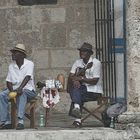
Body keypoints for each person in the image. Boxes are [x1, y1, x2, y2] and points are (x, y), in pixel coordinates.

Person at [0, 44, 37, 130]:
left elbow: (27, 77)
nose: (13, 54)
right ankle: (6, 122)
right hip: (15, 89)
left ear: (22, 55)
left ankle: (20, 121)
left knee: (22, 93)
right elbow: (8, 81)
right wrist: (12, 91)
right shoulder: (11, 66)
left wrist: (20, 89)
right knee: (2, 95)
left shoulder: (29, 64)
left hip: (29, 90)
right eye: (13, 53)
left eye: (15, 53)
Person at [67, 42, 103, 127]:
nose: (82, 53)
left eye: (85, 51)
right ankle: (77, 114)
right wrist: (76, 78)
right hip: (81, 90)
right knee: (76, 88)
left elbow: (95, 81)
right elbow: (70, 76)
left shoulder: (96, 63)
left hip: (93, 91)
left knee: (76, 91)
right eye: (81, 51)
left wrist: (81, 79)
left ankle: (77, 113)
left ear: (90, 53)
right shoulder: (77, 62)